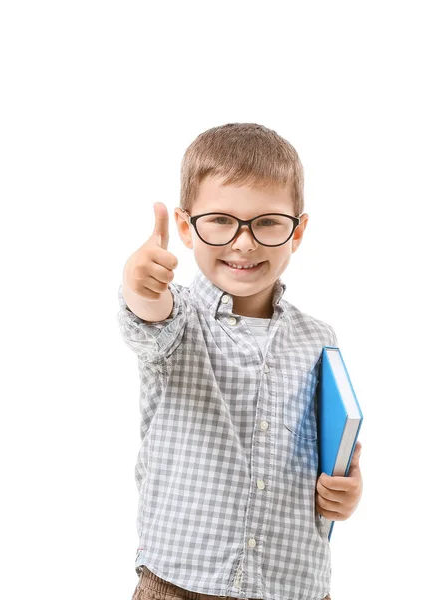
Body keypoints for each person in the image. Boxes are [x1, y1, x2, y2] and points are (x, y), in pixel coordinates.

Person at [117, 123, 363, 600]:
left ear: (298, 231)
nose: (244, 243)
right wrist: (138, 282)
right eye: (222, 220)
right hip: (180, 581)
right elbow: (145, 316)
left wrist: (346, 492)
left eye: (268, 222)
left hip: (293, 586)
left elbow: (325, 450)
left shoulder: (318, 339)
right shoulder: (179, 316)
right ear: (187, 228)